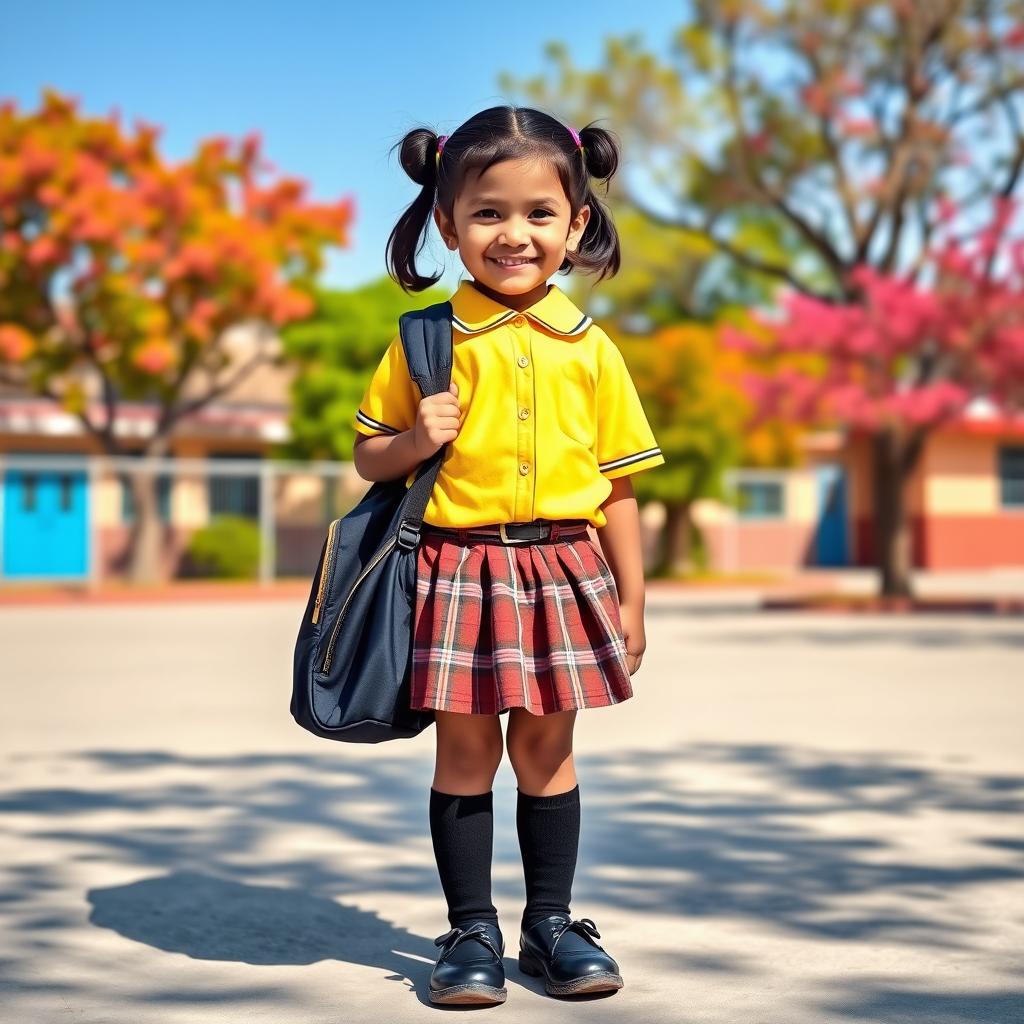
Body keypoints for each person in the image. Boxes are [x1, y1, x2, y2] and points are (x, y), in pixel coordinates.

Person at [351, 105, 665, 1006]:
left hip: (566, 571)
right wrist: (412, 440)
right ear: (447, 224)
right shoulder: (426, 339)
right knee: (464, 753)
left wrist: (634, 603)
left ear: (576, 225)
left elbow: (619, 487)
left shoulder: (592, 349)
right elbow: (369, 454)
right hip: (458, 572)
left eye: (538, 213)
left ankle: (551, 925)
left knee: (545, 751)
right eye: (488, 213)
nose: (513, 234)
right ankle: (470, 932)